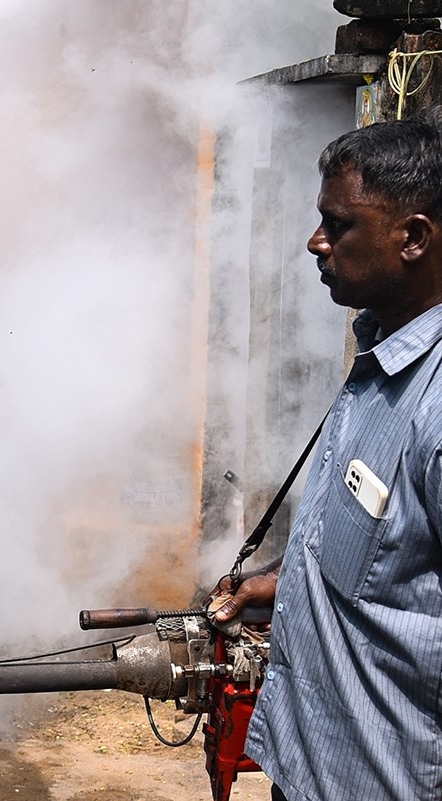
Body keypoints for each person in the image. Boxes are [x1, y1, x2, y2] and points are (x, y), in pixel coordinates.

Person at [211, 111, 442, 801]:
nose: (315, 242)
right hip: (308, 768)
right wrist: (281, 582)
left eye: (337, 224)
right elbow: (392, 560)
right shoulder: (376, 359)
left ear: (414, 237)